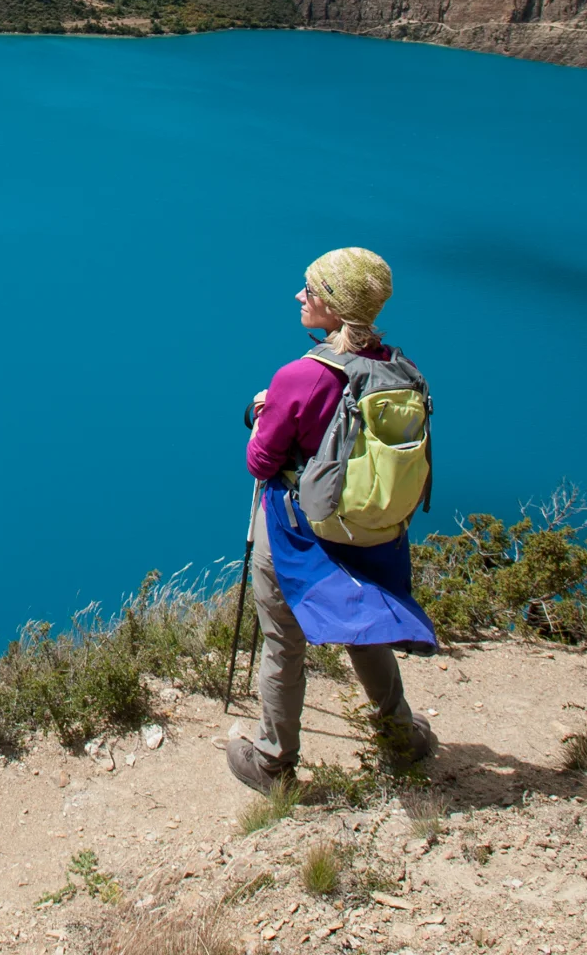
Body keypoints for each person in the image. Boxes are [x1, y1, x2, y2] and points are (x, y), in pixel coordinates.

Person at [228, 246, 439, 793]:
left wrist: (264, 414)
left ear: (336, 306)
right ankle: (400, 738)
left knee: (283, 643)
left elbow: (262, 461)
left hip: (300, 529)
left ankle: (273, 764)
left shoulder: (299, 376)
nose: (300, 296)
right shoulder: (399, 369)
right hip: (369, 527)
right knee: (363, 623)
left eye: (312, 290)